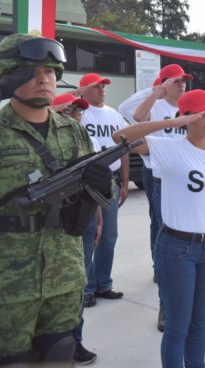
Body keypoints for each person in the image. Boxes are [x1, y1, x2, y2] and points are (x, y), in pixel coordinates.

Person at [0, 34, 112, 366]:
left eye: (51, 72)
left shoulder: (73, 131)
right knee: (10, 361)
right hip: (8, 281)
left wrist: (99, 189)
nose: (44, 79)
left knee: (59, 355)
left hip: (65, 275)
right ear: (9, 75)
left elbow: (86, 192)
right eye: (31, 72)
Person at [113, 89, 205, 367]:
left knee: (200, 323)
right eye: (203, 112)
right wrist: (171, 123)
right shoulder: (169, 148)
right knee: (178, 327)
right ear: (185, 117)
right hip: (177, 248)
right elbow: (121, 138)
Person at [118, 63, 193, 331]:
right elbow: (134, 114)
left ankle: (169, 269)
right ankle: (162, 277)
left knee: (178, 227)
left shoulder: (187, 106)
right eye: (176, 81)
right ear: (163, 85)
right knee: (163, 227)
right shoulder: (157, 107)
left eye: (184, 80)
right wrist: (157, 90)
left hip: (183, 174)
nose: (182, 84)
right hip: (158, 174)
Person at [51, 92, 102, 365]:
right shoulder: (45, 141)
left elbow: (91, 185)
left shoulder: (85, 138)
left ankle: (75, 341)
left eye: (79, 111)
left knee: (78, 285)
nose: (76, 116)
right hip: (55, 222)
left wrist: (98, 219)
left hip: (83, 217)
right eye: (69, 111)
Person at [77, 72, 129, 307]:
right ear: (83, 89)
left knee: (108, 235)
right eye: (97, 86)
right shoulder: (79, 113)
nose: (102, 90)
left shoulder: (114, 114)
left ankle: (103, 283)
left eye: (103, 86)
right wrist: (75, 96)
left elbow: (124, 148)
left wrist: (125, 182)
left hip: (111, 180)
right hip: (86, 181)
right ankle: (86, 288)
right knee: (89, 236)